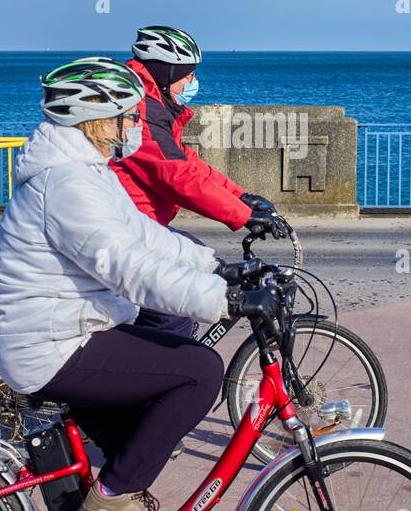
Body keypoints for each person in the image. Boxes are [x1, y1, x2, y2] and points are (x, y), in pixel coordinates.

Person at [0, 56, 267, 511]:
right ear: (96, 119)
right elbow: (127, 266)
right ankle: (113, 496)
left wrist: (217, 268)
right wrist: (224, 301)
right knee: (199, 372)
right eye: (128, 116)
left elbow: (143, 235)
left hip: (66, 329)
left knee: (137, 430)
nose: (136, 125)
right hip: (50, 344)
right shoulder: (68, 183)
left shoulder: (85, 170)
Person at [113, 25, 290, 339]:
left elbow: (189, 164)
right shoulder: (140, 109)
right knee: (174, 316)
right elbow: (176, 176)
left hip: (143, 224)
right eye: (188, 74)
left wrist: (243, 198)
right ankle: (157, 380)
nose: (192, 82)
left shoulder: (154, 104)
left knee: (195, 258)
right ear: (166, 73)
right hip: (128, 228)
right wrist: (243, 216)